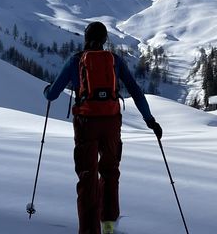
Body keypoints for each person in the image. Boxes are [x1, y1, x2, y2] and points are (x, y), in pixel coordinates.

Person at [44, 21, 162, 234]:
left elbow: (53, 94)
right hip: (111, 122)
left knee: (87, 175)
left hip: (86, 123)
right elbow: (135, 91)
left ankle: (89, 230)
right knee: (110, 171)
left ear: (85, 38)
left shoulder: (75, 60)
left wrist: (47, 91)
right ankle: (108, 225)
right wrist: (149, 119)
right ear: (105, 39)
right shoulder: (115, 61)